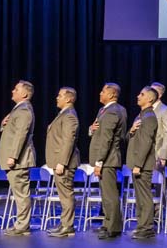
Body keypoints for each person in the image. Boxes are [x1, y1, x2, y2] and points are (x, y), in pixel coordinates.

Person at [89, 83, 127, 239]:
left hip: (107, 159)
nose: (100, 93)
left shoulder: (113, 111)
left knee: (110, 194)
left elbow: (107, 139)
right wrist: (91, 129)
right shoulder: (104, 110)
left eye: (103, 91)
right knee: (106, 194)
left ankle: (113, 227)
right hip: (106, 159)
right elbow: (98, 132)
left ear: (111, 94)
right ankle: (107, 223)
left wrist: (99, 162)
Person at [0, 80, 36, 236]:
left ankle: (22, 225)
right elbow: (11, 131)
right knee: (18, 193)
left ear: (25, 94)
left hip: (19, 161)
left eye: (16, 89)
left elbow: (21, 135)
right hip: (15, 160)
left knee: (21, 194)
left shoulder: (24, 109)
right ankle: (20, 224)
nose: (12, 91)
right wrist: (3, 124)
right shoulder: (18, 109)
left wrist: (13, 156)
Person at [45, 87, 81, 238]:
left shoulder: (69, 116)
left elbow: (68, 140)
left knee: (66, 195)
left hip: (64, 162)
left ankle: (67, 226)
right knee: (63, 195)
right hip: (59, 161)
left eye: (60, 95)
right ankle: (65, 222)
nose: (56, 98)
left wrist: (62, 162)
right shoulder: (64, 114)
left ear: (68, 99)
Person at [126, 86, 159, 239]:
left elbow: (146, 142)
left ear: (150, 99)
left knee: (144, 196)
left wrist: (138, 164)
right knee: (139, 196)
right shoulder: (141, 116)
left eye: (142, 94)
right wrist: (131, 130)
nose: (138, 96)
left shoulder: (150, 117)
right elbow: (130, 138)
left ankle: (147, 228)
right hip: (136, 163)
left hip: (143, 165)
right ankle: (142, 225)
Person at [150, 82, 167, 172]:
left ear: (159, 94)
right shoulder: (146, 109)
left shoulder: (165, 110)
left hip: (156, 154)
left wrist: (163, 156)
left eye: (151, 91)